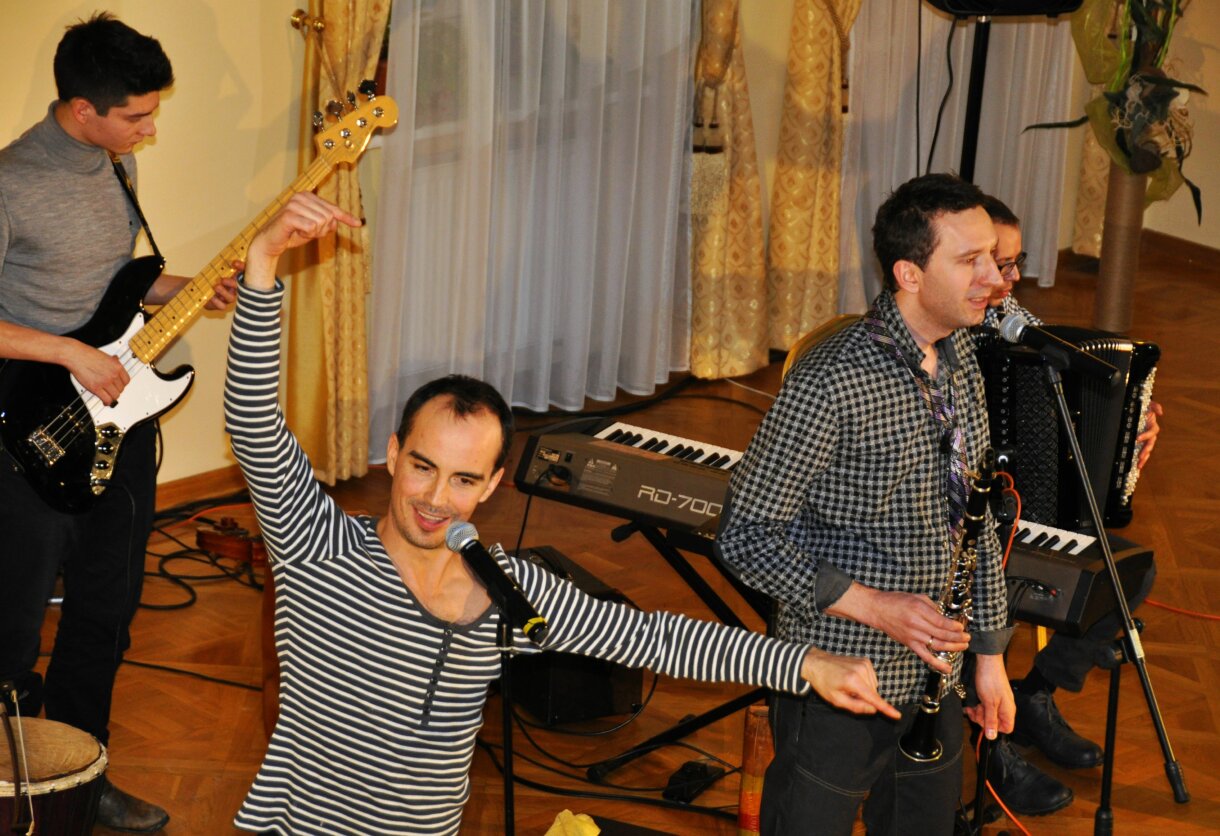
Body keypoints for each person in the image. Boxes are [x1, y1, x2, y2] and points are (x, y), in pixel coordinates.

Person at [225, 191, 900, 836]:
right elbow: (254, 423)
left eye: (463, 479)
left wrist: (805, 664)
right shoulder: (315, 544)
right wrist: (263, 262)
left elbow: (653, 638)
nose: (434, 499)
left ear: (492, 486)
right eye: (423, 467)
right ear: (394, 455)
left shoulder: (508, 592)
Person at [716, 172, 1015, 835]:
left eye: (994, 258)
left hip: (937, 675)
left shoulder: (962, 354)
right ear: (909, 274)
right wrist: (878, 607)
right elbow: (745, 535)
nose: (994, 279)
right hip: (841, 672)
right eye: (970, 260)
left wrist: (989, 656)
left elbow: (974, 519)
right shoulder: (832, 380)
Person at [0, 13, 235, 832]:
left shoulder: (116, 162)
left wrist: (187, 288)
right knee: (11, 627)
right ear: (81, 108)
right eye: (136, 115)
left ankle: (81, 774)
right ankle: (11, 784)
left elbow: (114, 287)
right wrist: (67, 353)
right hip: (26, 428)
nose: (149, 129)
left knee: (105, 610)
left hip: (119, 418)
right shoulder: (10, 182)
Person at [972, 196, 1161, 816]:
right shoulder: (943, 332)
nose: (1008, 278)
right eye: (995, 263)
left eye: (1014, 261)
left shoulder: (1010, 316)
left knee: (1127, 571)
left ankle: (1033, 694)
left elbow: (1073, 388)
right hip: (962, 527)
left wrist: (1131, 421)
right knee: (985, 595)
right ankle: (987, 745)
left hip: (1031, 511)